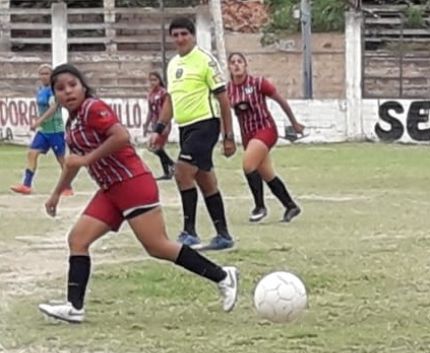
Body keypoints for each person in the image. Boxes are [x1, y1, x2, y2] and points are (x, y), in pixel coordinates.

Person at [37, 64, 239, 324]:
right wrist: (56, 193)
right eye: (61, 89)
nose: (68, 92)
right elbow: (73, 162)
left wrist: (88, 159)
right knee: (77, 240)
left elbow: (120, 137)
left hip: (132, 182)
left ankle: (223, 275)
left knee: (158, 246)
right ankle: (74, 307)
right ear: (55, 96)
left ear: (83, 87)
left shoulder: (92, 108)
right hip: (111, 190)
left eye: (72, 85)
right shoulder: (72, 123)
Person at [149, 17, 236, 251]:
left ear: (193, 35)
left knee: (182, 171)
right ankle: (223, 235)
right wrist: (159, 129)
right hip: (186, 128)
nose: (179, 39)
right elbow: (170, 100)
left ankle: (189, 232)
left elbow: (223, 99)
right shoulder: (173, 64)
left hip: (206, 124)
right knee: (205, 180)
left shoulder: (205, 61)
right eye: (175, 35)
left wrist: (229, 136)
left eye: (184, 34)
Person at [227, 52, 303, 223]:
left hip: (265, 129)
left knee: (248, 165)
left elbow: (280, 100)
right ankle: (290, 206)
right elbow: (225, 113)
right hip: (248, 135)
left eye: (240, 61)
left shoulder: (257, 83)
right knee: (267, 174)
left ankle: (259, 206)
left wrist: (294, 122)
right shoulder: (228, 90)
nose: (237, 65)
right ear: (229, 67)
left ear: (246, 65)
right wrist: (228, 137)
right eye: (233, 62)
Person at [10, 64, 73, 196]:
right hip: (44, 130)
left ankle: (67, 187)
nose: (44, 76)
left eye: (47, 73)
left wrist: (39, 121)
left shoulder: (55, 90)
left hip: (55, 130)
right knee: (32, 153)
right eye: (42, 74)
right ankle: (26, 185)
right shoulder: (41, 90)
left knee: (61, 159)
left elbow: (54, 107)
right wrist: (37, 119)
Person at [142, 71, 175, 180]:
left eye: (155, 80)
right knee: (157, 147)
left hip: (163, 124)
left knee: (155, 147)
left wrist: (164, 124)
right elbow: (150, 111)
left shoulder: (163, 93)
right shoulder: (150, 94)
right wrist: (146, 124)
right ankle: (168, 171)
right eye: (150, 80)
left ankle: (172, 164)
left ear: (159, 81)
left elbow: (167, 109)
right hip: (154, 123)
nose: (152, 82)